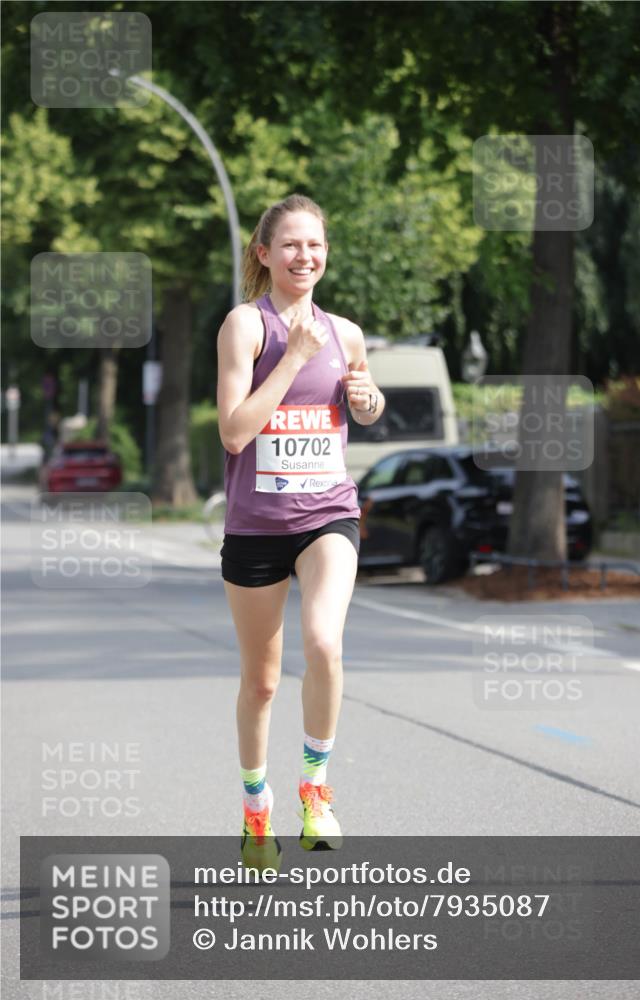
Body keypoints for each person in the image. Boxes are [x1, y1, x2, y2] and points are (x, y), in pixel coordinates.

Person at [216, 193, 385, 868]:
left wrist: (369, 402)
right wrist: (291, 357)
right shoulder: (244, 327)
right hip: (256, 526)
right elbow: (233, 433)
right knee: (260, 683)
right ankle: (257, 812)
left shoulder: (344, 333)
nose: (303, 256)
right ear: (263, 254)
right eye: (289, 245)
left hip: (327, 515)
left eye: (314, 245)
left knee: (323, 641)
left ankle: (315, 789)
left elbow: (363, 406)